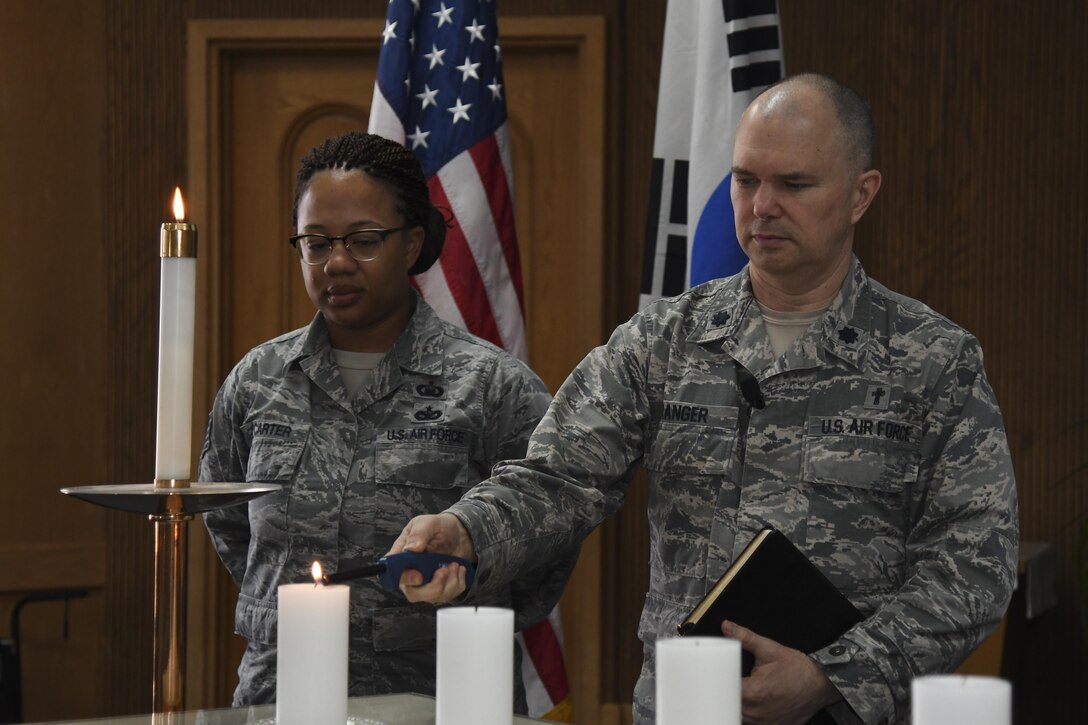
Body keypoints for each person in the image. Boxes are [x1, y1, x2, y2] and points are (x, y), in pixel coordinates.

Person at [390, 74, 1019, 724]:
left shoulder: (933, 360)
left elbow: (975, 562)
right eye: (746, 180)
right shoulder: (666, 339)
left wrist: (832, 674)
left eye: (793, 184)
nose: (762, 205)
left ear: (862, 194)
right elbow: (557, 475)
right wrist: (467, 528)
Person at [199, 131, 575, 709]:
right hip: (282, 697)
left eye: (365, 241)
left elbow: (547, 543)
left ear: (411, 243)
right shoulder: (258, 380)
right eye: (317, 243)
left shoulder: (492, 386)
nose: (338, 262)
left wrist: (466, 578)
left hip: (438, 697)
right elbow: (230, 528)